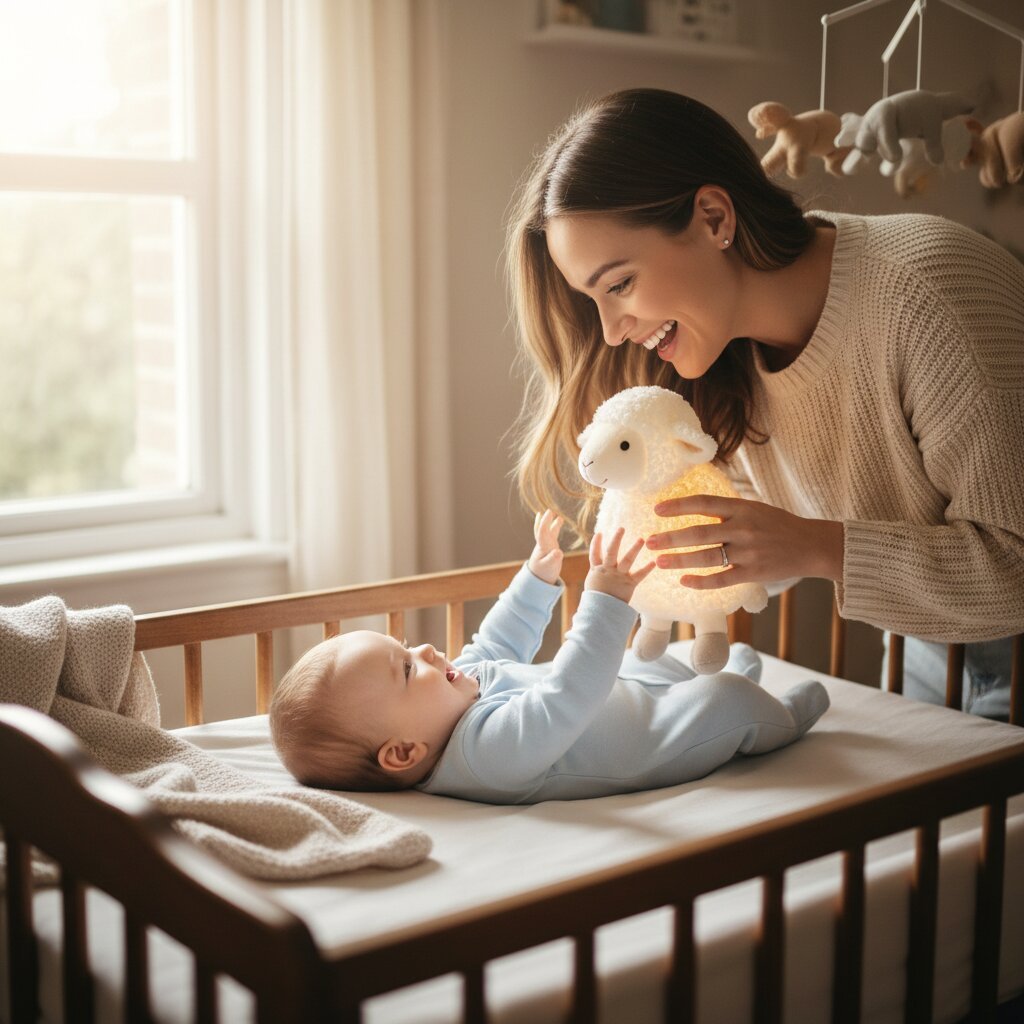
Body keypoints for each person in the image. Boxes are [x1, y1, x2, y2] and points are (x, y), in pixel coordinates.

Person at [506, 87, 1024, 720]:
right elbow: (760, 545)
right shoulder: (725, 366)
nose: (613, 330)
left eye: (620, 284)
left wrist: (815, 546)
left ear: (715, 219)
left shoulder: (927, 294)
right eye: (595, 302)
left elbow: (1015, 560)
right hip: (929, 648)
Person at [269, 511, 829, 803]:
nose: (423, 648)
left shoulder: (450, 700)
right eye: (407, 668)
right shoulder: (488, 758)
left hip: (627, 689)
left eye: (405, 647)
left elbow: (494, 644)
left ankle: (734, 673)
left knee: (654, 660)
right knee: (723, 700)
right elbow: (568, 695)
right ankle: (780, 716)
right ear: (403, 752)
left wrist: (535, 578)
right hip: (656, 736)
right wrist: (604, 600)